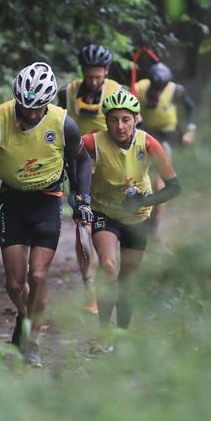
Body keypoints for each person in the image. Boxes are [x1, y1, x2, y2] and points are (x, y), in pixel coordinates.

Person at [0, 62, 93, 366]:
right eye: (26, 108)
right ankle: (25, 317)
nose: (32, 114)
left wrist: (82, 198)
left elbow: (83, 159)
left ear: (48, 102)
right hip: (13, 202)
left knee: (38, 274)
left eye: (39, 108)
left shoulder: (63, 123)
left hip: (47, 202)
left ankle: (32, 339)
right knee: (14, 283)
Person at [82, 90, 180, 346]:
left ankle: (122, 334)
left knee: (127, 279)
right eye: (113, 120)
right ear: (106, 121)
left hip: (138, 217)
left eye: (125, 119)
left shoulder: (148, 143)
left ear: (136, 119)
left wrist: (145, 201)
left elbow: (174, 186)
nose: (120, 126)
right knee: (108, 265)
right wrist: (76, 193)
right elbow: (65, 158)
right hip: (104, 212)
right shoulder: (93, 141)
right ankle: (104, 334)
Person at [57, 44, 125, 315]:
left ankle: (109, 285)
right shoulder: (67, 93)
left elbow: (133, 129)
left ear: (106, 71)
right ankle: (89, 287)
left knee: (109, 230)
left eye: (99, 76)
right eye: (90, 76)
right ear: (83, 72)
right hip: (78, 169)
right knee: (83, 227)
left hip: (111, 170)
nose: (95, 81)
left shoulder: (118, 91)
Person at [133, 62, 196, 242]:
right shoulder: (139, 88)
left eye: (160, 88)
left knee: (159, 183)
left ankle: (155, 228)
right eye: (155, 87)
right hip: (142, 135)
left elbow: (190, 108)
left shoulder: (176, 91)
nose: (157, 92)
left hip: (165, 138)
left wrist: (190, 131)